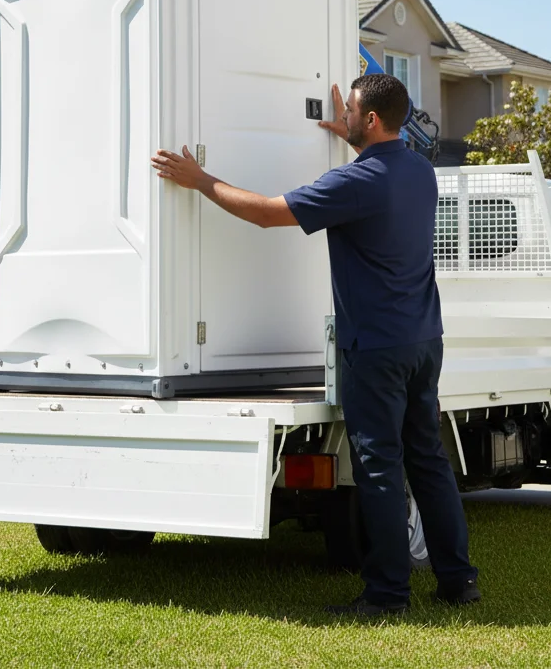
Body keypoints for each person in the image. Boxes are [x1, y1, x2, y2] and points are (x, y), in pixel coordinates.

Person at [151, 73, 479, 618]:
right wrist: (347, 133)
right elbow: (393, 148)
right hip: (423, 341)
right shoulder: (421, 171)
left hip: (373, 349)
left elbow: (264, 213)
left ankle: (387, 595)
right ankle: (458, 581)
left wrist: (199, 179)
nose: (344, 115)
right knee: (427, 462)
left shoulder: (354, 183)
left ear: (370, 120)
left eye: (351, 111)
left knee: (378, 468)